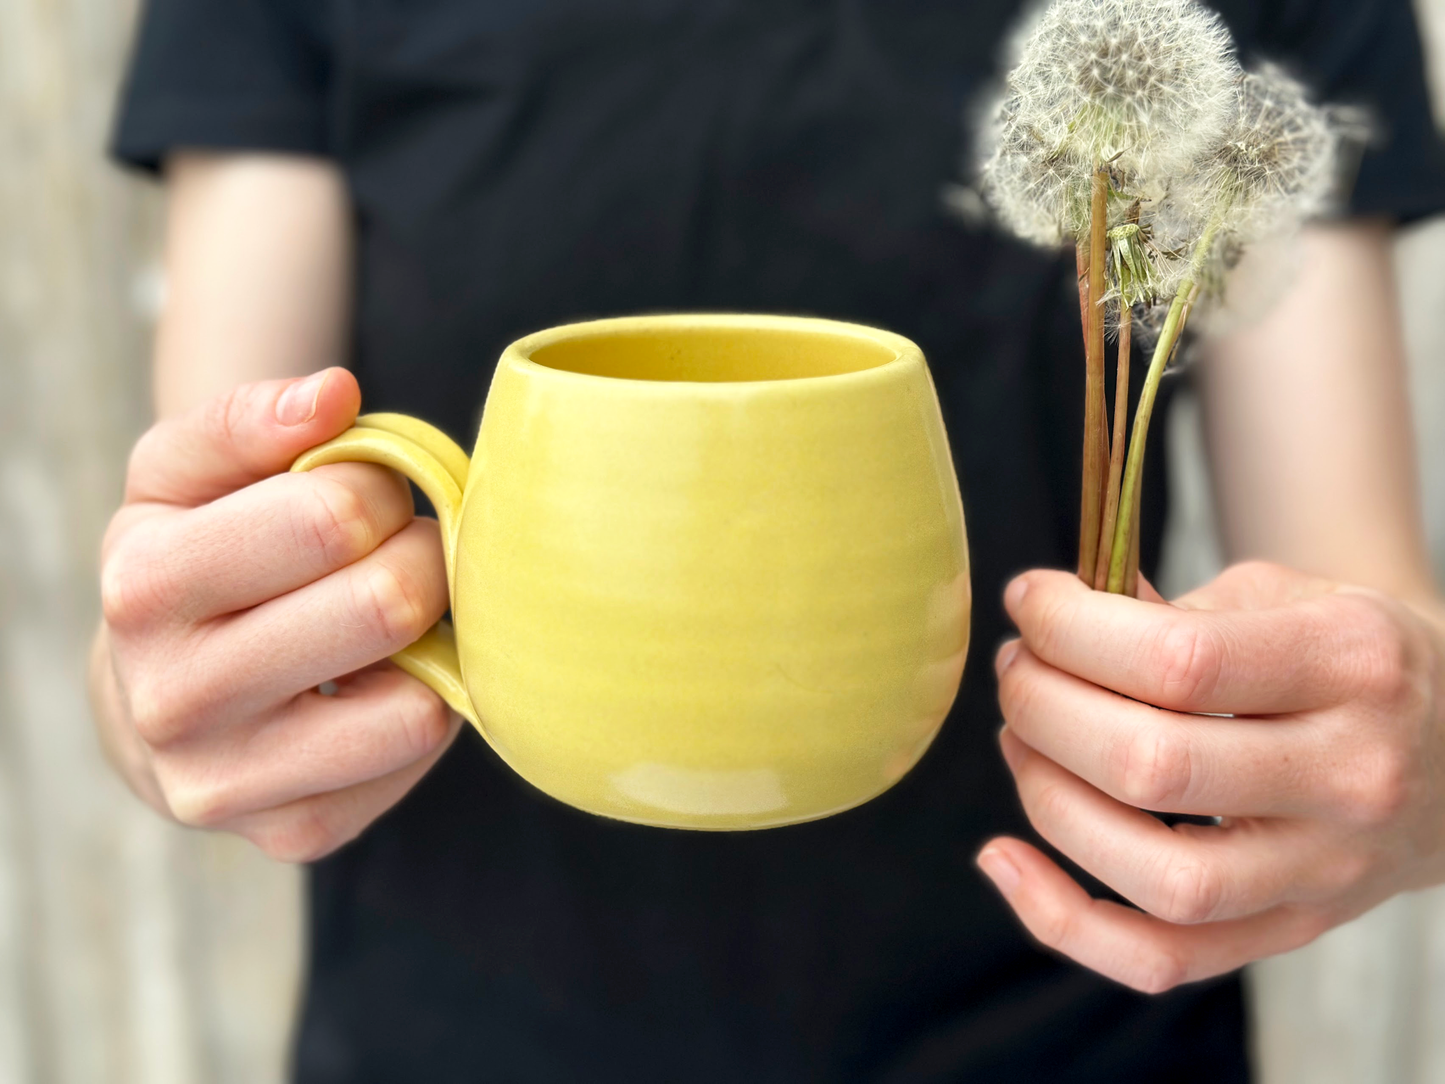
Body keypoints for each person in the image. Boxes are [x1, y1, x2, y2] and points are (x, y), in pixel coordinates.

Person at [96, 0, 1445, 1080]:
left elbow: (1363, 598)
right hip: (447, 1041)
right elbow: (194, 576)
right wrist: (165, 695)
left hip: (1076, 1032)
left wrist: (1413, 748)